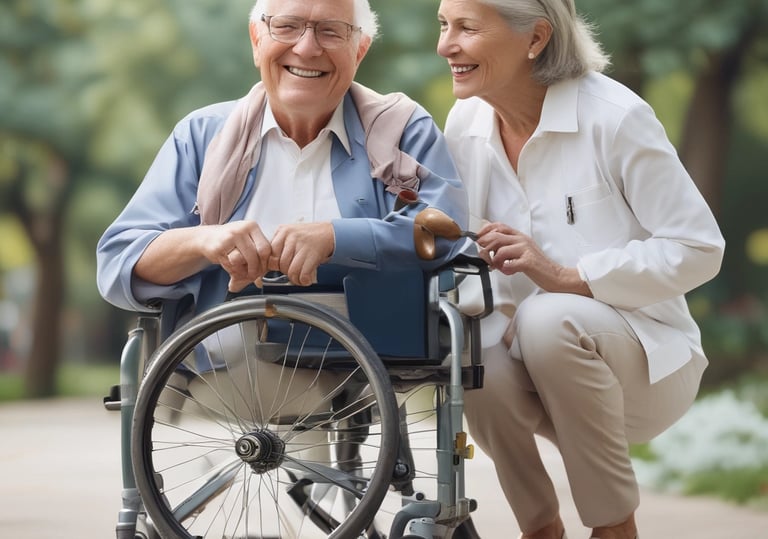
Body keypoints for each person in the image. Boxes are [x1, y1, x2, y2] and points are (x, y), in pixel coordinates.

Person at [436, 1, 725, 539]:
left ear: (536, 38)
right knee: (466, 350)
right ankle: (539, 527)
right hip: (530, 370)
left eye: (467, 29)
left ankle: (614, 527)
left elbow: (699, 247)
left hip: (644, 364)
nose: (445, 45)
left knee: (550, 317)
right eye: (444, 25)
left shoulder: (615, 117)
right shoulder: (465, 121)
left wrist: (568, 275)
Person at [96, 0, 468, 331]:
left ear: (360, 51)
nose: (307, 48)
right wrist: (204, 240)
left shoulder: (402, 129)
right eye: (286, 27)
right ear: (257, 40)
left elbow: (446, 233)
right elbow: (120, 261)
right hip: (227, 370)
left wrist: (336, 238)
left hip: (371, 367)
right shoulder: (201, 135)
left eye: (331, 31)